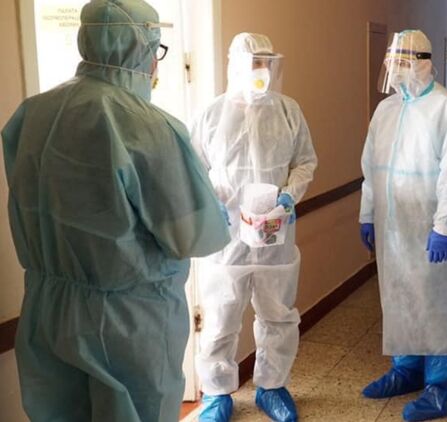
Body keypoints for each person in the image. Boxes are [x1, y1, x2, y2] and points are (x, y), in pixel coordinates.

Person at [1, 1, 231, 420]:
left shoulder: (32, 114)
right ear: (142, 47)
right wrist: (219, 213)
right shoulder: (149, 126)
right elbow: (195, 235)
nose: (156, 63)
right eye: (157, 49)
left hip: (47, 307)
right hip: (127, 321)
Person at [191, 33, 317, 422]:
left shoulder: (288, 110)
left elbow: (305, 161)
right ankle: (216, 394)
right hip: (226, 238)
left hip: (275, 235)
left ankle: (272, 387)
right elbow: (194, 169)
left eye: (266, 62)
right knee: (220, 319)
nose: (261, 70)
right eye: (253, 63)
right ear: (235, 65)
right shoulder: (212, 114)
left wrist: (289, 196)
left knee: (278, 314)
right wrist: (212, 200)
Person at [358, 29, 447, 421]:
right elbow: (372, 168)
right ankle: (405, 369)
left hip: (429, 225)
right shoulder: (386, 110)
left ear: (424, 63)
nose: (397, 70)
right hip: (392, 226)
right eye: (393, 62)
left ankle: (441, 386)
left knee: (434, 300)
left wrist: (445, 225)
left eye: (404, 62)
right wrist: (367, 213)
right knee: (398, 295)